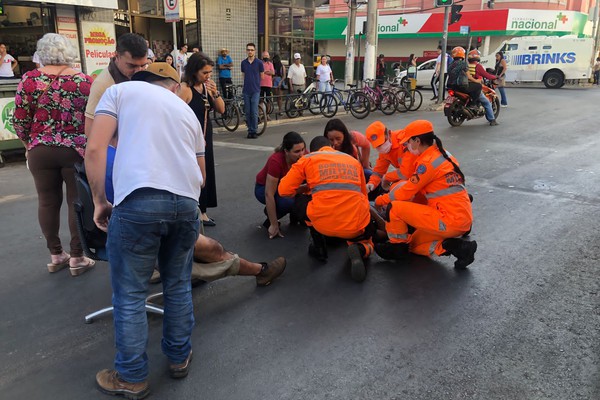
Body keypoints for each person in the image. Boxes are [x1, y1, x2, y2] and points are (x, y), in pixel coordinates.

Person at [85, 62, 205, 399]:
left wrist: (100, 201)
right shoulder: (187, 112)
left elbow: (94, 149)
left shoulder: (119, 91)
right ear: (172, 85)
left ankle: (132, 377)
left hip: (138, 202)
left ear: (141, 79)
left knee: (130, 295)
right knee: (178, 285)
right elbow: (201, 176)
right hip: (185, 205)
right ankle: (179, 358)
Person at [12, 33, 94, 276]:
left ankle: (56, 254)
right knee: (75, 202)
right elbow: (93, 119)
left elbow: (19, 119)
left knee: (47, 201)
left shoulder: (29, 80)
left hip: (40, 150)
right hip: (75, 150)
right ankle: (77, 257)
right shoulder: (84, 82)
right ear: (69, 52)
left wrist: (29, 143)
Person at [373, 120, 477, 270]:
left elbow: (406, 192)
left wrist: (380, 200)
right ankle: (458, 248)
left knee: (394, 207)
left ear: (417, 140)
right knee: (413, 244)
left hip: (447, 219)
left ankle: (396, 248)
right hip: (460, 218)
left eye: (408, 142)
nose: (407, 146)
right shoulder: (442, 154)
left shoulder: (428, 162)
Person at [278, 136, 374, 283]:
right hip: (354, 225)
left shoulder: (307, 159)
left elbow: (283, 191)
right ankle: (361, 249)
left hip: (322, 224)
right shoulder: (352, 161)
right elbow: (363, 196)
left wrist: (306, 188)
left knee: (301, 199)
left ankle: (319, 247)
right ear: (331, 147)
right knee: (368, 241)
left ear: (312, 150)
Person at [179, 52, 225, 227]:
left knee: (206, 173)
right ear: (194, 71)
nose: (208, 76)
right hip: (189, 138)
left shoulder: (206, 88)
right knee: (192, 173)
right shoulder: (185, 88)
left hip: (205, 135)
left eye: (210, 72)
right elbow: (175, 113)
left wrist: (215, 93)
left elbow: (221, 110)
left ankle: (203, 211)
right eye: (204, 73)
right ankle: (193, 210)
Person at [84, 33, 148, 137]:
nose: (138, 71)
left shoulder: (145, 76)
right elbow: (90, 130)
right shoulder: (102, 84)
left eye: (143, 65)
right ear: (117, 56)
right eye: (132, 66)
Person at [255, 131, 306, 239]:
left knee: (303, 196)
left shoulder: (305, 156)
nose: (301, 154)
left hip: (286, 187)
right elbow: (269, 194)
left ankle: (295, 215)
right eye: (297, 151)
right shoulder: (276, 160)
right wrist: (274, 224)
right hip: (263, 188)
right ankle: (271, 218)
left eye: (302, 149)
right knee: (288, 201)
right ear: (286, 151)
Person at [364, 121, 416, 199]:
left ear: (388, 133)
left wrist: (387, 177)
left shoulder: (404, 141)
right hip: (413, 176)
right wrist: (371, 183)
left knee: (398, 190)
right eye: (377, 146)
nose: (381, 147)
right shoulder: (384, 151)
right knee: (394, 189)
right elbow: (378, 171)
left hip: (420, 174)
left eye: (382, 142)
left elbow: (407, 172)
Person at [468, 49, 499, 126]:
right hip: (475, 86)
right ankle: (492, 120)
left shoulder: (466, 66)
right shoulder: (478, 66)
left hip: (465, 86)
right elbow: (486, 75)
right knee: (487, 102)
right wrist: (494, 77)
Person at [241, 42, 264, 139]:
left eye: (252, 50)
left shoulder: (259, 62)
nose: (250, 51)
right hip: (246, 90)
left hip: (255, 90)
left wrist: (256, 82)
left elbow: (262, 76)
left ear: (254, 51)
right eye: (248, 50)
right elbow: (243, 75)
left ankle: (254, 130)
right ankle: (249, 130)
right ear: (246, 51)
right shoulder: (243, 63)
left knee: (254, 111)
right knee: (248, 111)